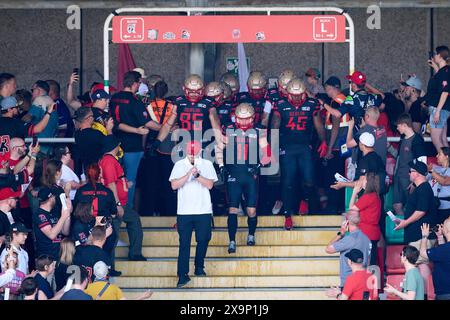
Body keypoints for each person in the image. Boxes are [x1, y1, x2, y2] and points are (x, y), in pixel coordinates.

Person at [269, 79, 327, 229]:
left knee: (309, 179)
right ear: (288, 93)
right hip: (287, 148)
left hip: (304, 147)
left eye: (299, 95)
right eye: (293, 95)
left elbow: (318, 125)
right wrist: (271, 148)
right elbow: (275, 126)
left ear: (303, 93)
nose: (296, 98)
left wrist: (324, 141)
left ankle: (305, 201)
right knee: (288, 181)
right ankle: (288, 215)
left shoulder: (311, 104)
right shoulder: (280, 104)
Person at [216, 103, 271, 252]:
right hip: (234, 174)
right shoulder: (229, 129)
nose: (244, 122)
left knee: (251, 210)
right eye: (241, 119)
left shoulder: (258, 130)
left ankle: (251, 235)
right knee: (232, 209)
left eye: (247, 119)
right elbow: (218, 148)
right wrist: (221, 166)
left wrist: (259, 165)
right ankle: (232, 241)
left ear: (253, 118)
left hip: (250, 175)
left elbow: (267, 153)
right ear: (236, 118)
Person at [169, 140, 218, 288]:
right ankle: (182, 275)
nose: (192, 154)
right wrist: (188, 174)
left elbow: (210, 185)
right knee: (184, 243)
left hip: (203, 210)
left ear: (199, 150)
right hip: (184, 211)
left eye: (194, 151)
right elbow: (174, 185)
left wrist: (197, 175)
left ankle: (199, 267)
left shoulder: (207, 164)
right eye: (190, 151)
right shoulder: (179, 165)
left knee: (203, 239)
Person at [110, 71, 161, 207]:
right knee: (130, 180)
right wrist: (165, 128)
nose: (139, 85)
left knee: (114, 178)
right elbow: (148, 123)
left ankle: (115, 207)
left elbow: (114, 122)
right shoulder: (135, 101)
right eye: (139, 83)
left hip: (114, 146)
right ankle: (127, 210)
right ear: (134, 84)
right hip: (132, 147)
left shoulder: (114, 98)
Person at [99, 136, 145, 261]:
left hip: (119, 203)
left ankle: (135, 254)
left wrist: (125, 183)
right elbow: (111, 184)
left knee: (133, 221)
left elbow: (116, 181)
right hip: (115, 204)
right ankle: (112, 264)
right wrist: (117, 204)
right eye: (118, 145)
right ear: (114, 146)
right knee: (113, 234)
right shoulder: (109, 161)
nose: (120, 147)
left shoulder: (110, 160)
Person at [395, 160, 438, 288]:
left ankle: (425, 293)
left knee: (421, 263)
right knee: (419, 263)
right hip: (417, 234)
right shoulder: (420, 188)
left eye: (411, 171)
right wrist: (403, 221)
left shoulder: (424, 188)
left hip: (420, 235)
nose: (409, 173)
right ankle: (423, 293)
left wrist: (405, 223)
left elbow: (421, 211)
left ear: (417, 174)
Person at [138, 80, 176, 216]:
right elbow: (174, 126)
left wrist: (143, 147)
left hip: (150, 144)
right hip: (167, 146)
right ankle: (169, 212)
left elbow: (145, 127)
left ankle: (148, 212)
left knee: (150, 183)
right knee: (168, 180)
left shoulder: (147, 106)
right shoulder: (172, 106)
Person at [74, 163, 120, 275]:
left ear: (87, 175)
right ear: (99, 175)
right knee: (108, 244)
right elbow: (114, 211)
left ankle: (89, 269)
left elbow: (75, 208)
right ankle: (109, 268)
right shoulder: (107, 191)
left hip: (85, 222)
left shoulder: (81, 191)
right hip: (104, 223)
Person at [320, 76, 349, 213]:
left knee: (334, 177)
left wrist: (329, 148)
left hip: (337, 146)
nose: (327, 92)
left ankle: (333, 208)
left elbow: (335, 127)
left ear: (334, 87)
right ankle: (340, 207)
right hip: (344, 146)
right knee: (342, 176)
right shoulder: (346, 99)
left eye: (327, 89)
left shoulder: (336, 103)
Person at [389, 114, 427, 216]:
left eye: (398, 125)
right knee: (396, 206)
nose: (397, 128)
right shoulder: (402, 139)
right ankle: (403, 230)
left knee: (411, 206)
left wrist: (415, 182)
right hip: (398, 176)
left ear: (405, 125)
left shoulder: (417, 140)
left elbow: (423, 163)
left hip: (409, 179)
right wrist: (389, 147)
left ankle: (409, 228)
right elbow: (399, 156)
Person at [325, 209, 371, 287]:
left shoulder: (349, 239)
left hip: (349, 282)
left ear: (346, 221)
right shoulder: (367, 239)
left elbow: (328, 249)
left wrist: (341, 233)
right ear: (359, 220)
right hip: (364, 281)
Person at [0, 95, 53, 162]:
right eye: (16, 107)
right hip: (12, 163)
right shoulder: (15, 123)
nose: (18, 109)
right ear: (9, 109)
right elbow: (38, 129)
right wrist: (49, 113)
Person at [349, 173, 381, 266]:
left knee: (366, 263)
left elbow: (352, 209)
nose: (361, 182)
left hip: (366, 233)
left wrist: (354, 192)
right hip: (372, 233)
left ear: (368, 182)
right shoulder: (375, 196)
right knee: (371, 262)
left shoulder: (369, 196)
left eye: (364, 180)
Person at [33, 186, 71, 260]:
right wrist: (63, 216)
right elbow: (51, 235)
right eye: (54, 197)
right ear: (50, 198)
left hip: (59, 255)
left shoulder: (54, 212)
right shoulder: (39, 214)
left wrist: (67, 213)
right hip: (46, 258)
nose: (55, 199)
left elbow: (65, 232)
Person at [425, 45, 450, 151]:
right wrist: (435, 67)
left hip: (439, 108)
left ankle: (445, 163)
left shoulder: (445, 71)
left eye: (434, 54)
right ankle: (447, 165)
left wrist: (437, 112)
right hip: (442, 109)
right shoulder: (443, 71)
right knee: (443, 139)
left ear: (439, 55)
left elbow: (445, 92)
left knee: (435, 139)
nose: (433, 56)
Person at [74, 106, 113, 172]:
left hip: (87, 169)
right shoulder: (96, 134)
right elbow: (111, 146)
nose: (94, 118)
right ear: (88, 118)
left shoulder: (77, 134)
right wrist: (109, 130)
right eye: (92, 116)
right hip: (99, 168)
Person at [420, 220, 450, 300]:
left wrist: (424, 236)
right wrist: (440, 237)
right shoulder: (443, 249)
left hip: (445, 293)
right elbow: (443, 253)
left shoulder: (443, 249)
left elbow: (423, 253)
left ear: (446, 230)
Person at [428, 148, 450, 224]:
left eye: (439, 154)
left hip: (446, 208)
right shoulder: (435, 168)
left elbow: (444, 181)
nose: (436, 156)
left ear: (446, 156)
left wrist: (431, 171)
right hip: (432, 206)